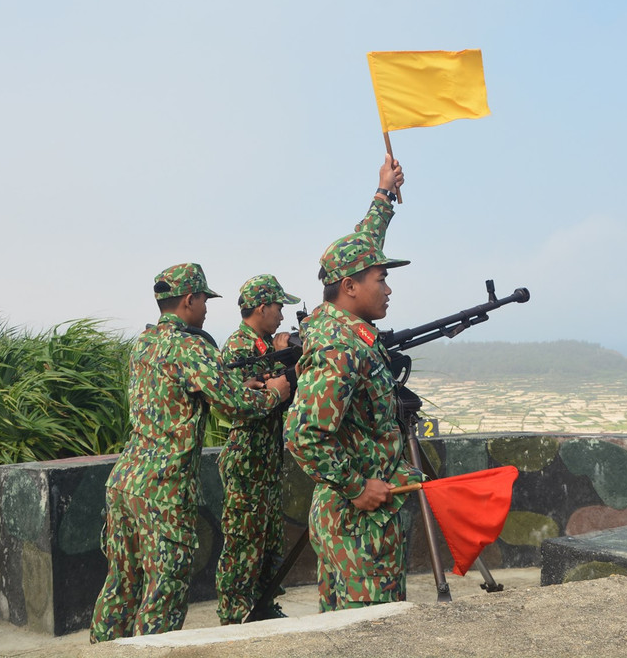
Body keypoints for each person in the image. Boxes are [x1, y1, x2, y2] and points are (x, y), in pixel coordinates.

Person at [89, 263, 267, 642]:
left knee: (122, 585)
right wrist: (274, 393)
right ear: (190, 299)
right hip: (162, 490)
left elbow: (182, 389)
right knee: (164, 590)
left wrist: (234, 383)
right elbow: (236, 405)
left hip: (125, 482)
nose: (205, 309)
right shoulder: (190, 344)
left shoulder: (145, 342)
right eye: (204, 300)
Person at [284, 155, 421, 612]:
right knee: (370, 634)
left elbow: (362, 246)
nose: (388, 288)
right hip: (357, 525)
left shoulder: (335, 319)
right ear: (349, 287)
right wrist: (358, 486)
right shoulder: (340, 348)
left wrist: (384, 193)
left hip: (356, 521)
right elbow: (302, 434)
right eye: (381, 279)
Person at [215, 274, 299, 624]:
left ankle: (263, 603)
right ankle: (235, 613)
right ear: (262, 307)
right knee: (243, 541)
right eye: (279, 307)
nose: (282, 315)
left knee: (268, 540)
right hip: (246, 456)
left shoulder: (263, 344)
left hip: (265, 459)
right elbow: (242, 403)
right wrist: (280, 366)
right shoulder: (239, 346)